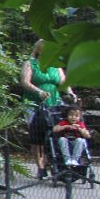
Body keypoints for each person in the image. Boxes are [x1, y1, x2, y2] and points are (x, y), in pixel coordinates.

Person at [20, 41, 74, 179]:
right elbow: (25, 82)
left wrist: (70, 92)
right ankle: (41, 167)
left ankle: (55, 163)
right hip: (34, 104)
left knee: (54, 133)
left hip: (53, 103)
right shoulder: (30, 64)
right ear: (39, 50)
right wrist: (38, 91)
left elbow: (63, 81)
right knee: (37, 136)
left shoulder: (56, 65)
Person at [51, 106, 91, 179]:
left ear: (79, 117)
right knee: (62, 139)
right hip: (65, 144)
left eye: (76, 116)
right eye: (71, 115)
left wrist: (80, 129)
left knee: (80, 140)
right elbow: (54, 129)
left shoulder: (80, 124)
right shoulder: (64, 122)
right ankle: (67, 160)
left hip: (76, 145)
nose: (73, 117)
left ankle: (75, 160)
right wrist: (65, 126)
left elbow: (88, 136)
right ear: (67, 115)